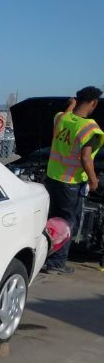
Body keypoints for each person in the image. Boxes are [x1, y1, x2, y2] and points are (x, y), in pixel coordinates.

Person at [43, 86, 104, 274]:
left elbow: (66, 114)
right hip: (70, 183)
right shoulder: (90, 129)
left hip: (52, 178)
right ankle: (57, 263)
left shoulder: (61, 118)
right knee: (67, 223)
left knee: (51, 220)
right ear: (94, 103)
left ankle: (45, 254)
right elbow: (86, 158)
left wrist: (71, 105)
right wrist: (94, 181)